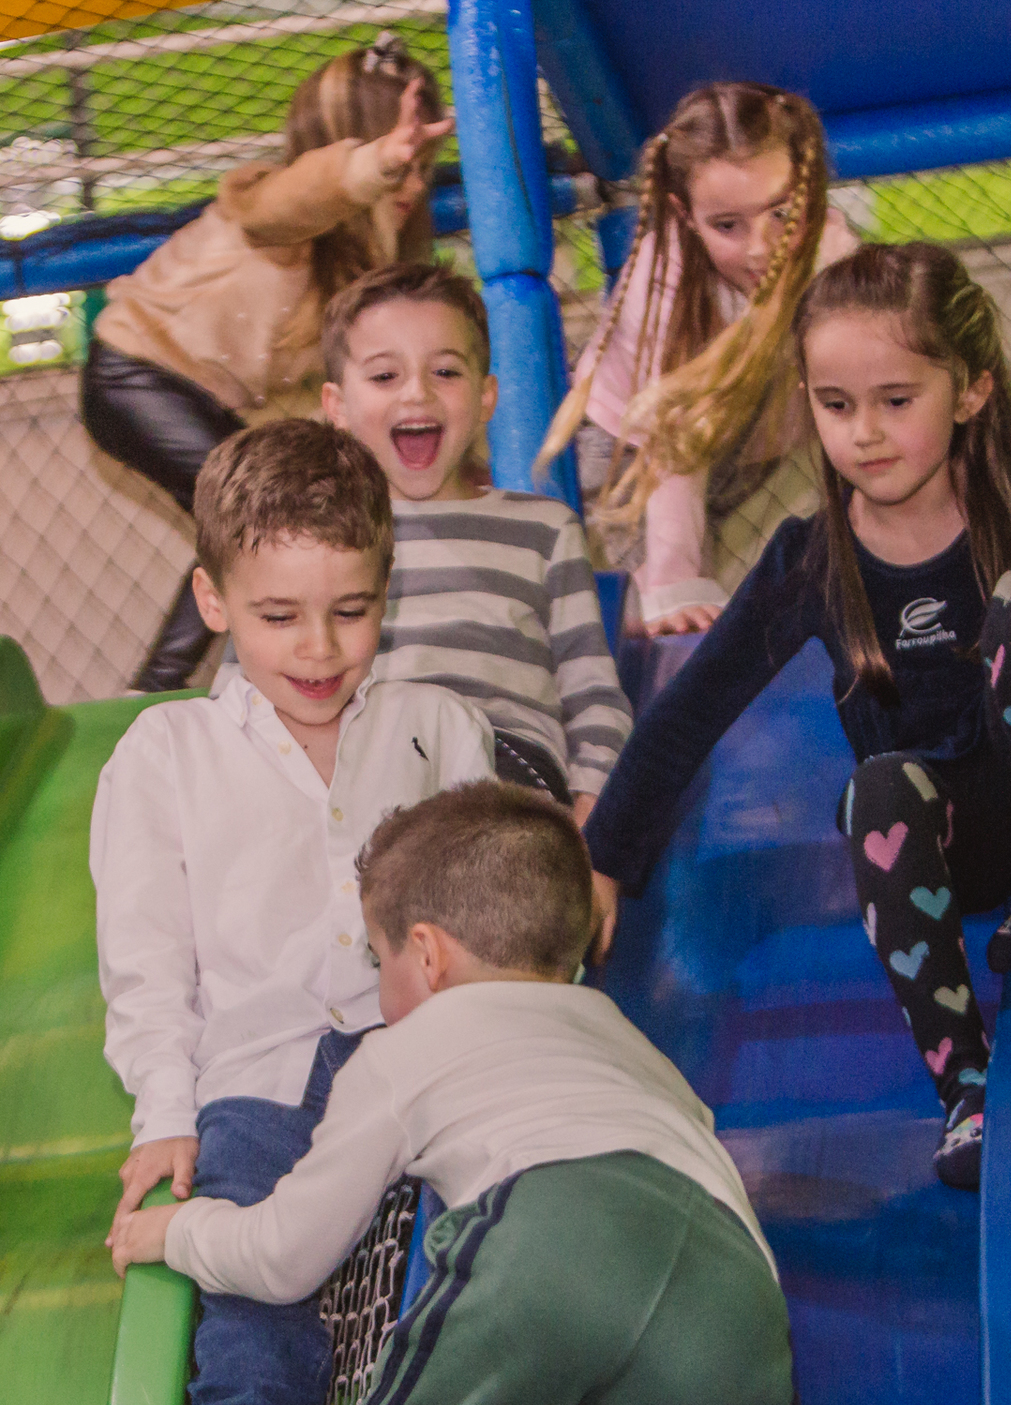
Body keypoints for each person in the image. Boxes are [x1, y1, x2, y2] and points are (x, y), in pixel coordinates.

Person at [100, 781, 797, 1405]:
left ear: (424, 956)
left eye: (379, 962)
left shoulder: (407, 1049)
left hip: (548, 1225)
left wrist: (181, 1228)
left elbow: (286, 1253)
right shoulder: (628, 1039)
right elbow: (664, 1238)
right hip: (741, 1307)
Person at [583, 242, 1011, 1191]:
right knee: (875, 791)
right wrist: (602, 860)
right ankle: (966, 1088)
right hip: (952, 840)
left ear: (971, 391)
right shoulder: (812, 559)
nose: (865, 433)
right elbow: (690, 713)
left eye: (896, 401)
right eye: (836, 406)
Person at [73, 420, 494, 1405]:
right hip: (257, 1070)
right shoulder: (165, 754)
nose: (319, 648)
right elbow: (147, 961)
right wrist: (166, 1113)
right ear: (212, 599)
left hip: (419, 1055)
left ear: (385, 591)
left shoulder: (438, 728)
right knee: (244, 1238)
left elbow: (495, 915)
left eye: (350, 610)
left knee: (501, 1210)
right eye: (278, 616)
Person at [81, 34, 452, 694]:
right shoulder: (275, 208)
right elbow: (290, 202)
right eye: (405, 163)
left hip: (204, 395)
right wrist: (375, 163)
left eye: (423, 166)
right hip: (135, 374)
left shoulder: (361, 256)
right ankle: (157, 692)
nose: (414, 183)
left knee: (259, 525)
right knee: (258, 517)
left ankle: (209, 685)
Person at [538, 81, 857, 639]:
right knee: (646, 620)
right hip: (634, 455)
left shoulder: (830, 254)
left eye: (781, 212)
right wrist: (674, 582)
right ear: (685, 215)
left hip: (750, 448)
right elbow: (673, 448)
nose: (761, 246)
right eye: (727, 225)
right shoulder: (664, 285)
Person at [321, 261, 632, 824]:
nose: (417, 393)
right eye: (385, 376)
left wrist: (590, 819)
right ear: (337, 406)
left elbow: (593, 697)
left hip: (506, 769)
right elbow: (253, 683)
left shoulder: (543, 530)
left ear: (487, 397)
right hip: (366, 772)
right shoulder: (315, 537)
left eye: (445, 371)